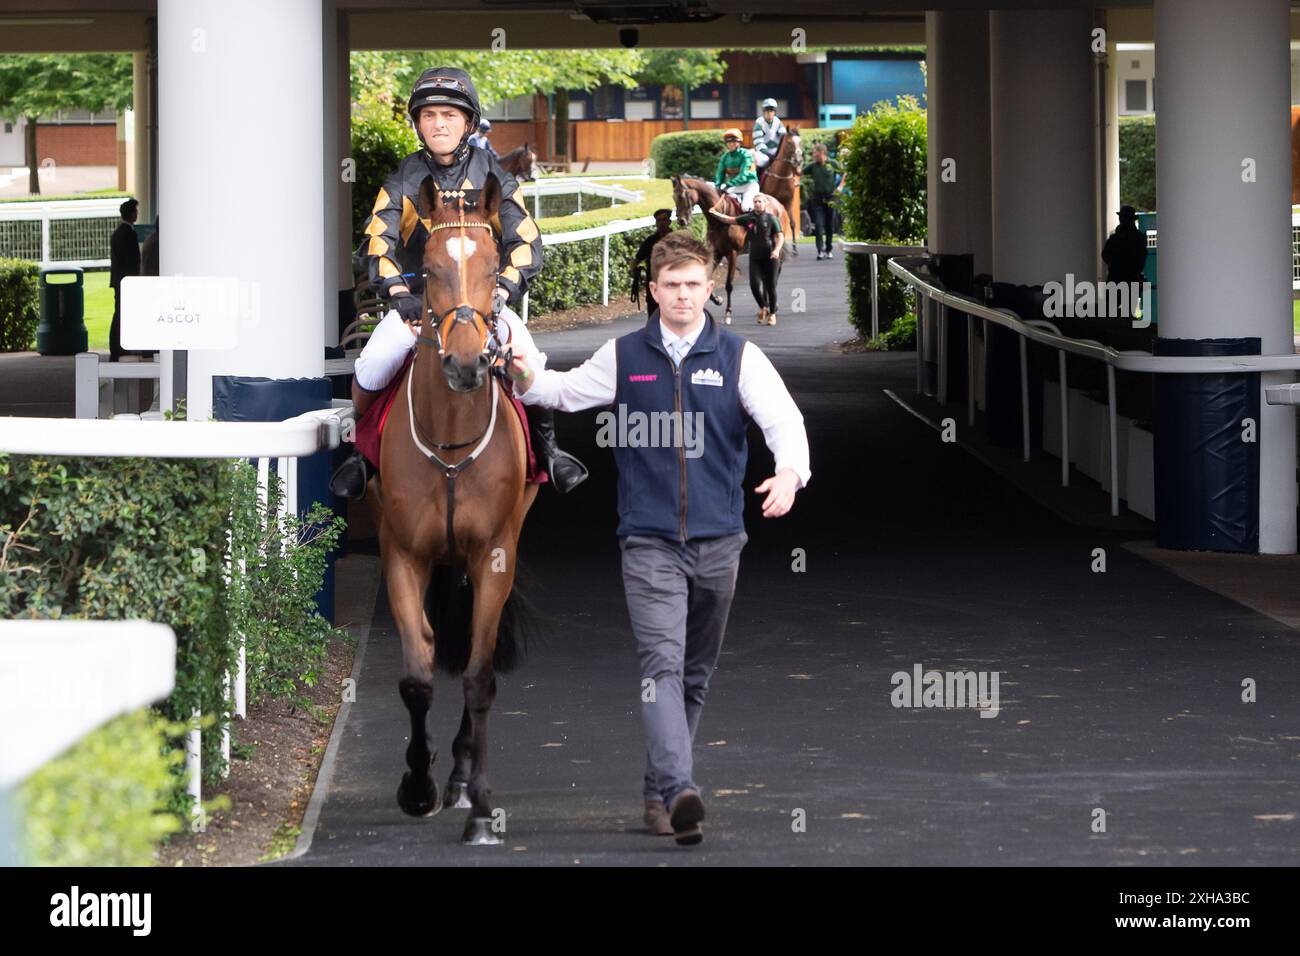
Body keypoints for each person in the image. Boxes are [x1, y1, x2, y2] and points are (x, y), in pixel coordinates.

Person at [507, 230, 811, 846]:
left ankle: (657, 794)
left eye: (693, 285)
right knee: (661, 665)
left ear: (709, 288)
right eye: (670, 285)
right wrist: (521, 372)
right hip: (647, 542)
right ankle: (680, 791)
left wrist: (789, 474)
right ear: (653, 290)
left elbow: (785, 422)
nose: (682, 296)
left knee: (694, 674)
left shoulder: (738, 357)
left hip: (721, 540)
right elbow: (563, 393)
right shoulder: (624, 356)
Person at [330, 66, 587, 499]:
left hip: (486, 304)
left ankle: (550, 450)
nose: (439, 124)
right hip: (417, 305)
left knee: (531, 361)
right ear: (418, 124)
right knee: (375, 361)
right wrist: (397, 294)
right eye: (428, 115)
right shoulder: (405, 178)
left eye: (449, 114)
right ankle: (361, 457)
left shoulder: (496, 176)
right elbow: (377, 240)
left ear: (468, 123)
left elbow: (525, 239)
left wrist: (502, 290)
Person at [708, 193, 784, 325]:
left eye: (760, 202)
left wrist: (777, 250)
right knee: (754, 285)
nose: (757, 204)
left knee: (770, 286)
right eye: (755, 202)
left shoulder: (772, 219)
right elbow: (729, 220)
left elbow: (780, 236)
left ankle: (772, 314)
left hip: (770, 256)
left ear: (765, 204)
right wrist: (714, 213)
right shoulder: (748, 218)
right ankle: (763, 307)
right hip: (755, 257)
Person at [109, 198, 141, 361]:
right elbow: (132, 260)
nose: (137, 214)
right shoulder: (129, 234)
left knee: (119, 313)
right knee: (123, 314)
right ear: (131, 213)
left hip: (119, 280)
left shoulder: (117, 233)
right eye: (135, 211)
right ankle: (120, 348)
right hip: (127, 281)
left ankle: (116, 347)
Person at [802, 142, 843, 260]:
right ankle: (820, 250)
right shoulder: (812, 166)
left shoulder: (833, 163)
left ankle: (829, 249)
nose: (814, 155)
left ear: (822, 153)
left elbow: (844, 173)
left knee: (829, 225)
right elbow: (800, 173)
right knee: (819, 225)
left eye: (816, 153)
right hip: (817, 199)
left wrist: (840, 187)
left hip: (831, 198)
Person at [630, 208, 673, 317]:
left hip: (674, 285)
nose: (661, 223)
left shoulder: (677, 240)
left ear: (669, 222)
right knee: (654, 316)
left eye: (664, 220)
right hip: (655, 286)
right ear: (656, 223)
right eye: (659, 220)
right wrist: (634, 271)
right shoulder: (650, 241)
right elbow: (636, 260)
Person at [713, 128, 759, 213]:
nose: (731, 144)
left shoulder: (746, 155)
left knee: (745, 207)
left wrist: (729, 184)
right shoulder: (725, 157)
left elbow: (743, 175)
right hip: (734, 187)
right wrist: (718, 185)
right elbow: (720, 173)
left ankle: (752, 225)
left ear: (739, 143)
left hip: (749, 185)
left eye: (734, 142)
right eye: (729, 142)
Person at [1101, 205, 1149, 284]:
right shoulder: (1139, 238)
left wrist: (1115, 265)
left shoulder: (1115, 238)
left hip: (1115, 278)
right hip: (1131, 278)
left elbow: (1105, 254)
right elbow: (1142, 256)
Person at [751, 97, 786, 182]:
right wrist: (768, 154)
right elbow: (758, 142)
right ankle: (758, 182)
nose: (769, 113)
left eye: (771, 111)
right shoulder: (759, 123)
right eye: (767, 111)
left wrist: (779, 152)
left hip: (776, 151)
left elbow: (783, 137)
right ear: (763, 112)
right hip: (763, 153)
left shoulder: (778, 122)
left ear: (774, 112)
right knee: (762, 161)